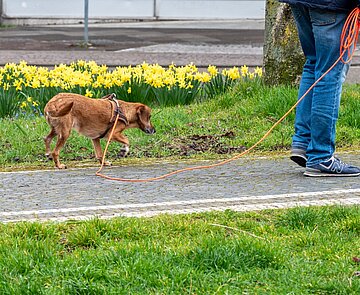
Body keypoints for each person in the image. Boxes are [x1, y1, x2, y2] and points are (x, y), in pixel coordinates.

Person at [277, 0, 360, 177]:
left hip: (301, 3)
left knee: (314, 63)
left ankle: (303, 143)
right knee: (330, 73)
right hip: (330, 6)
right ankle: (321, 156)